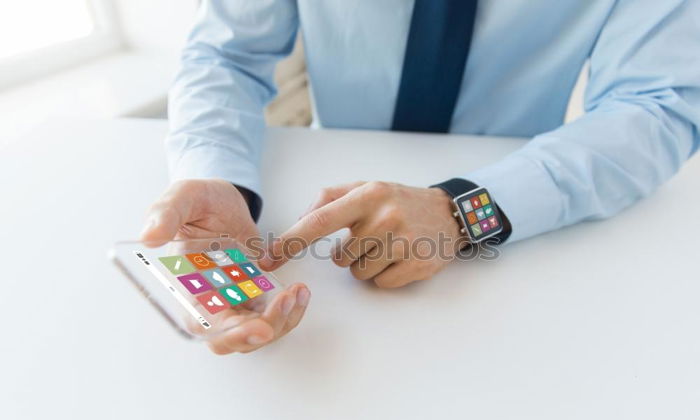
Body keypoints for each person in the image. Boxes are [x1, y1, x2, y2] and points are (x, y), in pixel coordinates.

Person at [141, 0, 700, 354]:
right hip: (318, 195)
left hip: (522, 247)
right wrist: (219, 176)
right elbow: (227, 55)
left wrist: (462, 211)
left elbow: (657, 105)